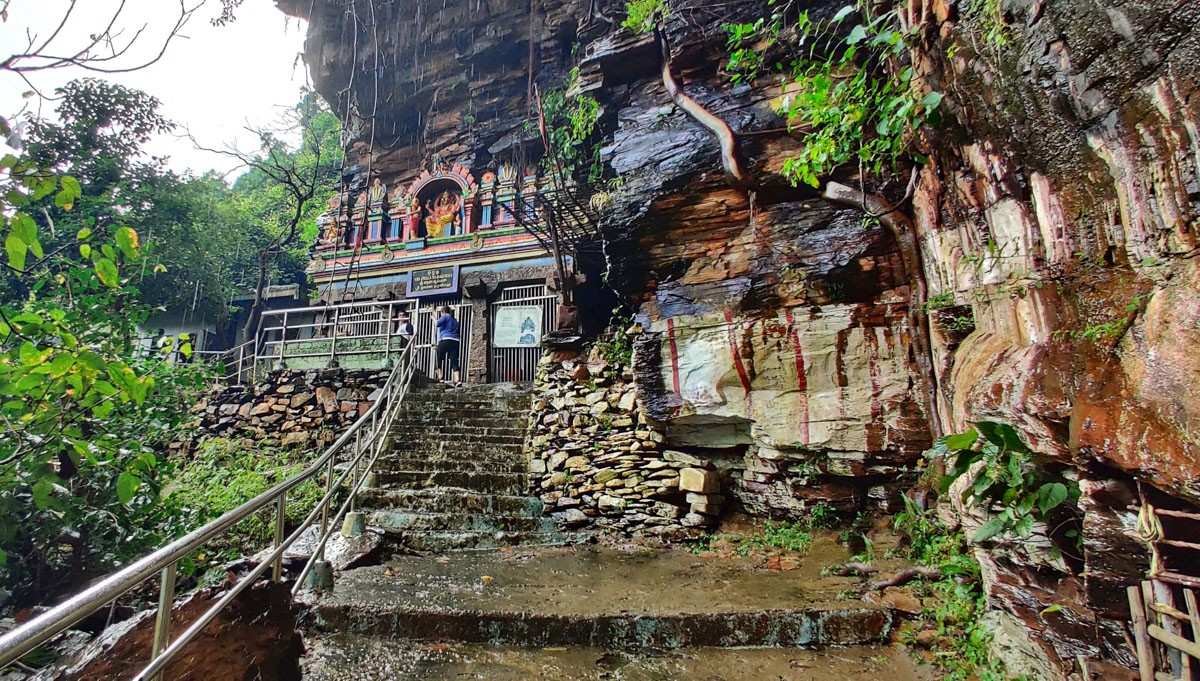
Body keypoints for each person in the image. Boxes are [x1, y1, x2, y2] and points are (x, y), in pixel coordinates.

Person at [435, 305, 461, 386]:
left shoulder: (445, 316)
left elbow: (437, 323)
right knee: (454, 360)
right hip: (455, 341)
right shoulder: (455, 320)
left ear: (443, 312)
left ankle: (440, 378)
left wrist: (433, 318)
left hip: (445, 339)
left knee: (438, 358)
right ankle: (457, 380)